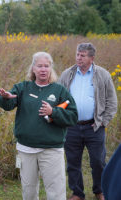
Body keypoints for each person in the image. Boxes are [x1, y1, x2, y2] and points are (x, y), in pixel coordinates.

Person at [0, 52, 78, 200]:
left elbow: (73, 116)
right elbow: (7, 104)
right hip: (26, 150)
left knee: (56, 192)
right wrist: (4, 98)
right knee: (29, 192)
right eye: (39, 66)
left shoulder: (59, 91)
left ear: (50, 68)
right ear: (33, 68)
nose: (43, 69)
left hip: (51, 150)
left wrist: (54, 112)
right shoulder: (22, 88)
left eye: (46, 66)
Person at [58, 43, 118, 200]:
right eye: (77, 54)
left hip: (95, 126)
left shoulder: (103, 75)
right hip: (71, 126)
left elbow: (112, 101)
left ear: (92, 58)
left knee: (98, 162)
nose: (79, 58)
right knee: (72, 162)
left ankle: (100, 190)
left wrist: (104, 121)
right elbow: (59, 99)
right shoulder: (67, 74)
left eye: (82, 55)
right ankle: (77, 193)